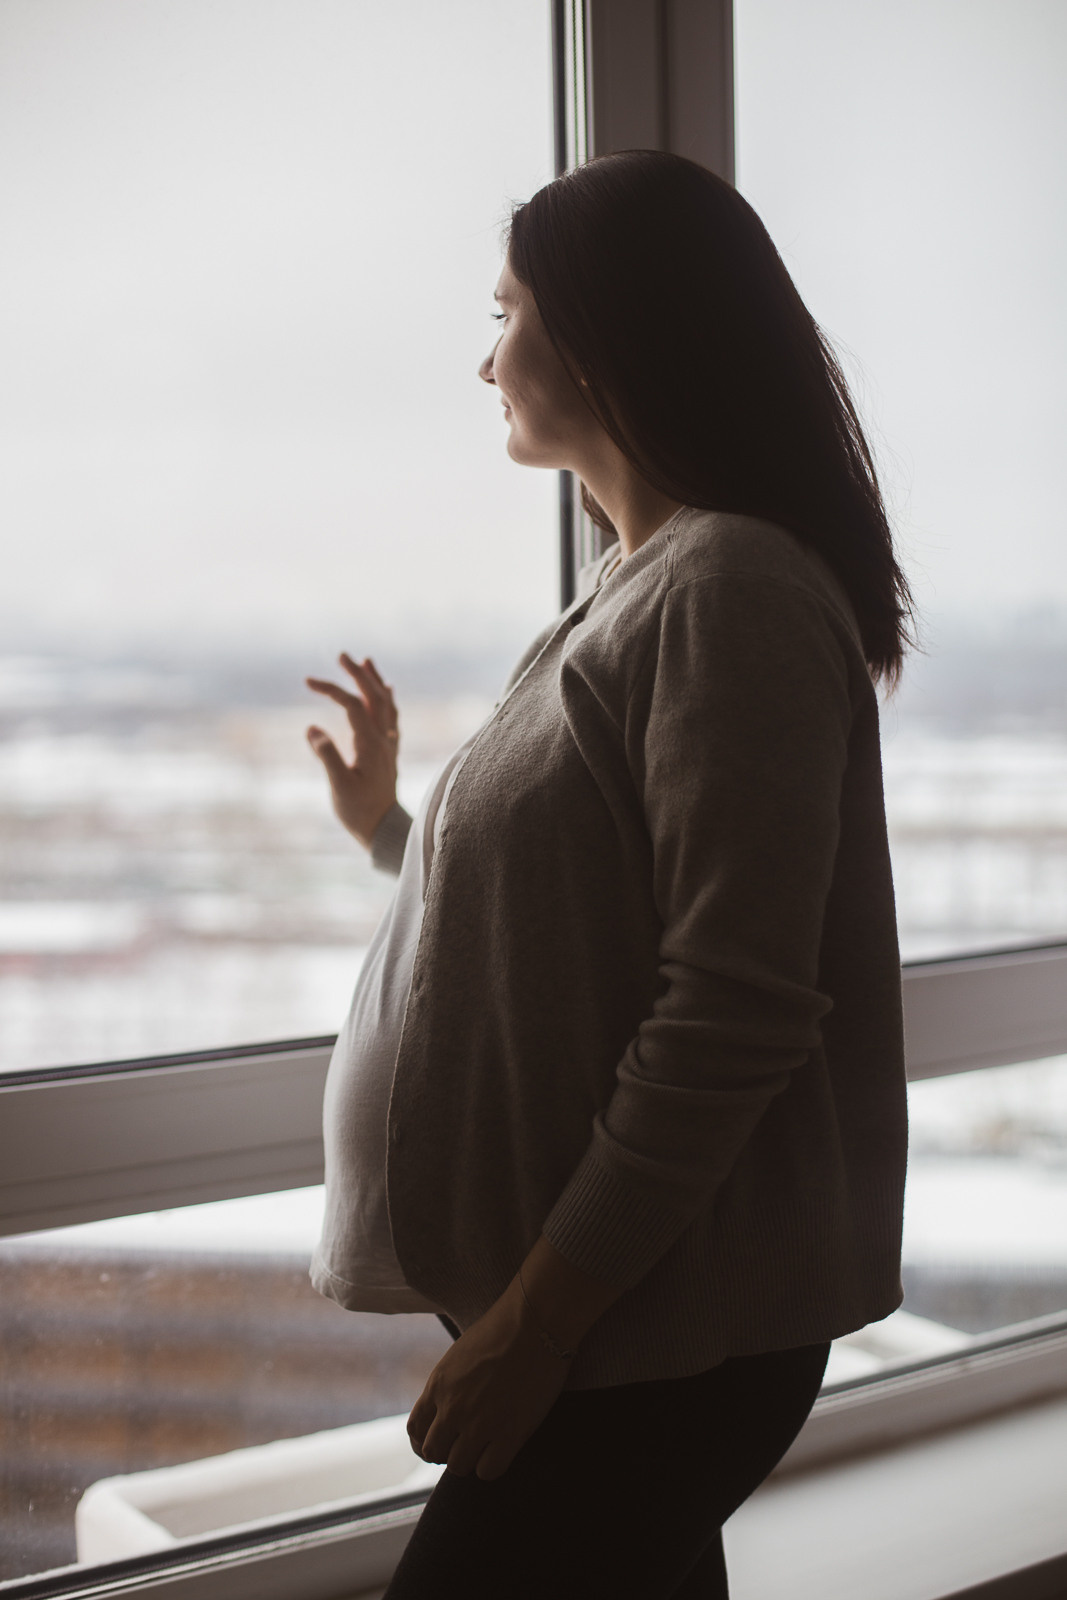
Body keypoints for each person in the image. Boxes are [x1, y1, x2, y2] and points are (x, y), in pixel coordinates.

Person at [305, 150, 912, 1599]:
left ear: (599, 333)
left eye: (505, 313)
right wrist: (392, 831)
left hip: (649, 1332)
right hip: (631, 1325)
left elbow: (732, 1011)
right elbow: (581, 914)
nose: (486, 361)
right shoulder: (646, 585)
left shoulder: (730, 588)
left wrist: (534, 1323)